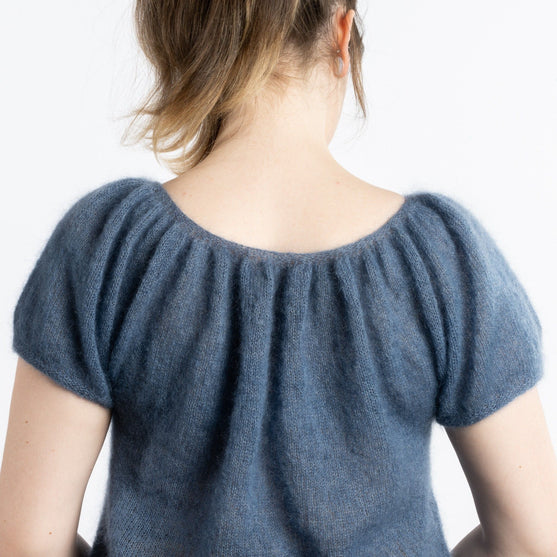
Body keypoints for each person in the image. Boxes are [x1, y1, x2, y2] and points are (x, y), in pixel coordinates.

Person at [1, 1, 556, 556]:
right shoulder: (440, 260)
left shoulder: (111, 247)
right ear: (341, 33)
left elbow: (26, 543)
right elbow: (533, 540)